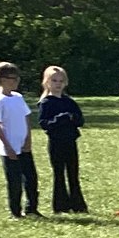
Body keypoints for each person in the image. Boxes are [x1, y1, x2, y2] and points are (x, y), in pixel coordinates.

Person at [0, 62, 40, 218]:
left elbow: (26, 117)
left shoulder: (18, 97)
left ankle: (31, 209)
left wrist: (28, 140)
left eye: (17, 78)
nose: (16, 81)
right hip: (9, 149)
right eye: (13, 78)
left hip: (24, 146)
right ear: (2, 80)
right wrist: (8, 147)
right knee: (14, 182)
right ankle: (15, 212)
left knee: (31, 178)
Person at [38, 65, 88, 213]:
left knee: (73, 173)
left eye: (61, 81)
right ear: (47, 82)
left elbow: (80, 120)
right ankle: (60, 205)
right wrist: (61, 119)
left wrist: (73, 118)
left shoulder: (69, 101)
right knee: (59, 174)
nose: (58, 84)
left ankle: (78, 205)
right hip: (56, 143)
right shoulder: (46, 103)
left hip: (70, 141)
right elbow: (44, 124)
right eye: (54, 81)